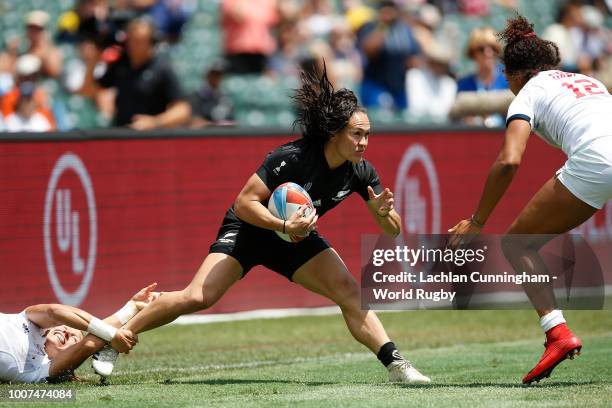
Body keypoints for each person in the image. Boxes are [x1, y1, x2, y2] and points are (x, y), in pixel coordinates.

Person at [103, 65, 431, 384]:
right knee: (199, 297)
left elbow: (393, 230)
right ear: (335, 133)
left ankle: (396, 365)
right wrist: (284, 225)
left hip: (294, 239)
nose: (363, 142)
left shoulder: (361, 172)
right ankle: (121, 335)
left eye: (367, 135)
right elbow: (244, 203)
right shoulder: (292, 157)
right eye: (356, 134)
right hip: (250, 231)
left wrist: (382, 211)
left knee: (349, 292)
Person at [449, 15, 612, 384]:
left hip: (596, 162)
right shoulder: (587, 80)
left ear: (514, 73)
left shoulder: (527, 92)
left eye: (506, 76)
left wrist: (478, 220)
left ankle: (557, 333)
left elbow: (509, 160)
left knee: (517, 242)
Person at [0, 283, 159, 383]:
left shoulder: (38, 372)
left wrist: (131, 312)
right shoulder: (27, 319)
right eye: (67, 326)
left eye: (73, 338)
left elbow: (87, 345)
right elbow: (55, 311)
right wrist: (128, 310)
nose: (66, 331)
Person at [81, 18, 191, 129]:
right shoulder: (121, 64)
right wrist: (93, 60)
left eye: (139, 41)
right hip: (122, 134)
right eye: (131, 40)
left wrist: (155, 122)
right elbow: (88, 91)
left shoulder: (162, 67)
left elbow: (183, 110)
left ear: (151, 42)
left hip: (150, 137)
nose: (133, 45)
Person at [356, 0, 421, 110]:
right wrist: (384, 26)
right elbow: (369, 50)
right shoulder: (370, 27)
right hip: (375, 85)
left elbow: (414, 57)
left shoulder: (404, 30)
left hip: (399, 86)